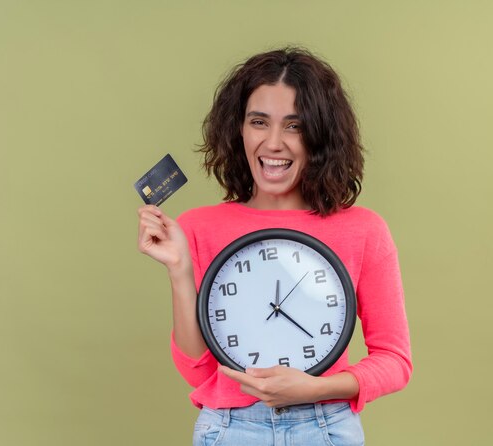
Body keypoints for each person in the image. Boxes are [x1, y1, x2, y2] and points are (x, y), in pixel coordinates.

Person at [137, 47, 412, 446]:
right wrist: (179, 270)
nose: (273, 142)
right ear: (239, 130)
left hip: (326, 428)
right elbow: (198, 372)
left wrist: (313, 389)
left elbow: (395, 360)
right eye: (259, 122)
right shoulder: (198, 227)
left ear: (319, 135)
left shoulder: (364, 230)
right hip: (229, 429)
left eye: (294, 126)